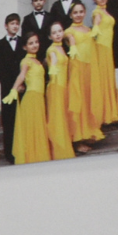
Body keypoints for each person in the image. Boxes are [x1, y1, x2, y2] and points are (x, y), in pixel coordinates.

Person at [2, 31, 52, 163]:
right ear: (24, 47)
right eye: (30, 43)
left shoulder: (37, 61)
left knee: (39, 128)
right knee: (32, 129)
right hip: (32, 99)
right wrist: (14, 89)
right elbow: (22, 75)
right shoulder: (26, 61)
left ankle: (39, 157)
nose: (34, 45)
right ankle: (32, 158)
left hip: (39, 98)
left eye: (36, 42)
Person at [64, 4, 105, 150]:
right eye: (75, 12)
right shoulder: (69, 31)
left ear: (85, 12)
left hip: (89, 69)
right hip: (78, 68)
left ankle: (88, 133)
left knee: (89, 100)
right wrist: (72, 46)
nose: (78, 15)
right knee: (78, 101)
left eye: (81, 12)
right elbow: (70, 38)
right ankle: (77, 138)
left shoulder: (89, 30)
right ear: (71, 15)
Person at [88, 0, 118, 126]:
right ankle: (102, 116)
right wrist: (95, 29)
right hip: (101, 48)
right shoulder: (97, 12)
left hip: (107, 49)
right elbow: (96, 24)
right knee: (103, 81)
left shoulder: (105, 11)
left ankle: (109, 113)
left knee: (108, 80)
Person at [0, 13, 24, 162]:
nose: (15, 26)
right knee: (9, 121)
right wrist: (12, 87)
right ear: (6, 26)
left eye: (17, 23)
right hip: (7, 89)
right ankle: (10, 154)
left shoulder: (23, 42)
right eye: (12, 23)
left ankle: (24, 150)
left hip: (23, 89)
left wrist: (22, 85)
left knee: (22, 120)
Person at [44, 20, 76, 159]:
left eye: (59, 31)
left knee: (63, 118)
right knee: (57, 120)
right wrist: (53, 67)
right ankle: (60, 152)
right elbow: (53, 60)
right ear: (49, 36)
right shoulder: (52, 50)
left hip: (63, 87)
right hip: (56, 87)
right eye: (54, 32)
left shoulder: (62, 47)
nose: (57, 34)